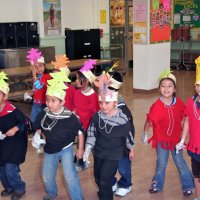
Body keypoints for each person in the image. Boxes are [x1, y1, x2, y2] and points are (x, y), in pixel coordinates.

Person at [32, 70, 84, 200]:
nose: (49, 103)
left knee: (69, 175)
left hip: (66, 148)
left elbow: (80, 131)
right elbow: (39, 125)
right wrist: (37, 134)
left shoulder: (69, 117)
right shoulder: (45, 113)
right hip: (50, 148)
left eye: (53, 101)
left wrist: (81, 148)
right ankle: (51, 192)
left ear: (62, 102)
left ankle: (78, 198)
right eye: (48, 100)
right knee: (46, 175)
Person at [141, 69, 194, 196]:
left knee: (180, 162)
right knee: (161, 163)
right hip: (161, 141)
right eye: (163, 86)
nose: (166, 89)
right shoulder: (156, 105)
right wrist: (145, 133)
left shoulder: (180, 103)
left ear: (174, 89)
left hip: (176, 141)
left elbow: (184, 119)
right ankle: (157, 184)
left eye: (169, 86)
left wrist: (183, 137)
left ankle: (188, 185)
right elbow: (149, 121)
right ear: (159, 89)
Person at [83, 72, 135, 200]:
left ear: (115, 103)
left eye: (107, 103)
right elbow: (91, 133)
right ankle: (104, 191)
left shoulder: (122, 118)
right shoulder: (97, 117)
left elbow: (128, 134)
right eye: (101, 103)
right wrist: (87, 149)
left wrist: (131, 148)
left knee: (105, 178)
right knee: (98, 177)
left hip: (114, 153)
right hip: (100, 152)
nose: (103, 106)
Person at [0, 71, 28, 200]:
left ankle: (19, 187)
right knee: (1, 168)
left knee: (10, 168)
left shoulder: (12, 110)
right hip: (3, 144)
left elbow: (26, 122)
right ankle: (9, 187)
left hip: (16, 143)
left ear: (5, 97)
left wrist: (15, 128)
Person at [107, 70, 135, 197]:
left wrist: (129, 146)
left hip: (122, 145)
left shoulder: (122, 109)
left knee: (123, 166)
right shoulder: (104, 105)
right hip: (109, 145)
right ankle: (112, 182)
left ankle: (126, 184)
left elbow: (129, 130)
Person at [176, 56, 200, 200]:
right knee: (196, 174)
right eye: (198, 84)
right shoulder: (191, 102)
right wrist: (182, 139)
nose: (199, 88)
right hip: (195, 148)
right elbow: (187, 121)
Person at [74, 59, 100, 171]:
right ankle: (81, 161)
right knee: (80, 143)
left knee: (90, 145)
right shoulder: (77, 93)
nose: (75, 81)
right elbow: (76, 107)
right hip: (79, 124)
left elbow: (95, 113)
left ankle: (89, 161)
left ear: (85, 81)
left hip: (89, 126)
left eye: (77, 79)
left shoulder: (93, 95)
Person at [26, 49, 51, 131]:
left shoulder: (47, 76)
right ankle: (37, 136)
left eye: (40, 66)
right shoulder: (37, 77)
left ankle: (43, 135)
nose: (38, 69)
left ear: (44, 66)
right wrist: (31, 93)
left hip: (44, 104)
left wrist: (34, 75)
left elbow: (39, 86)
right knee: (34, 120)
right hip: (36, 103)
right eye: (36, 67)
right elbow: (36, 89)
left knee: (43, 121)